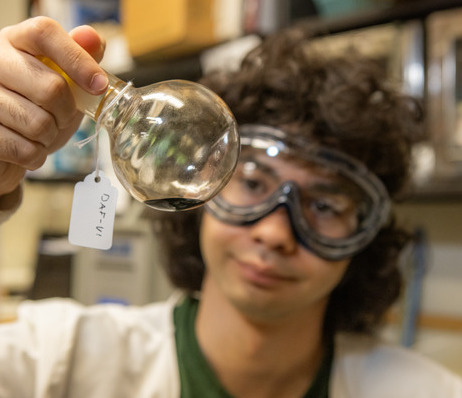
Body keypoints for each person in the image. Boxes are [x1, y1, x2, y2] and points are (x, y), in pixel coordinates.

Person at [0, 16, 461, 398]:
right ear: (200, 191)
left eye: (323, 204)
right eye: (255, 181)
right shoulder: (56, 362)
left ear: (365, 234)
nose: (275, 234)